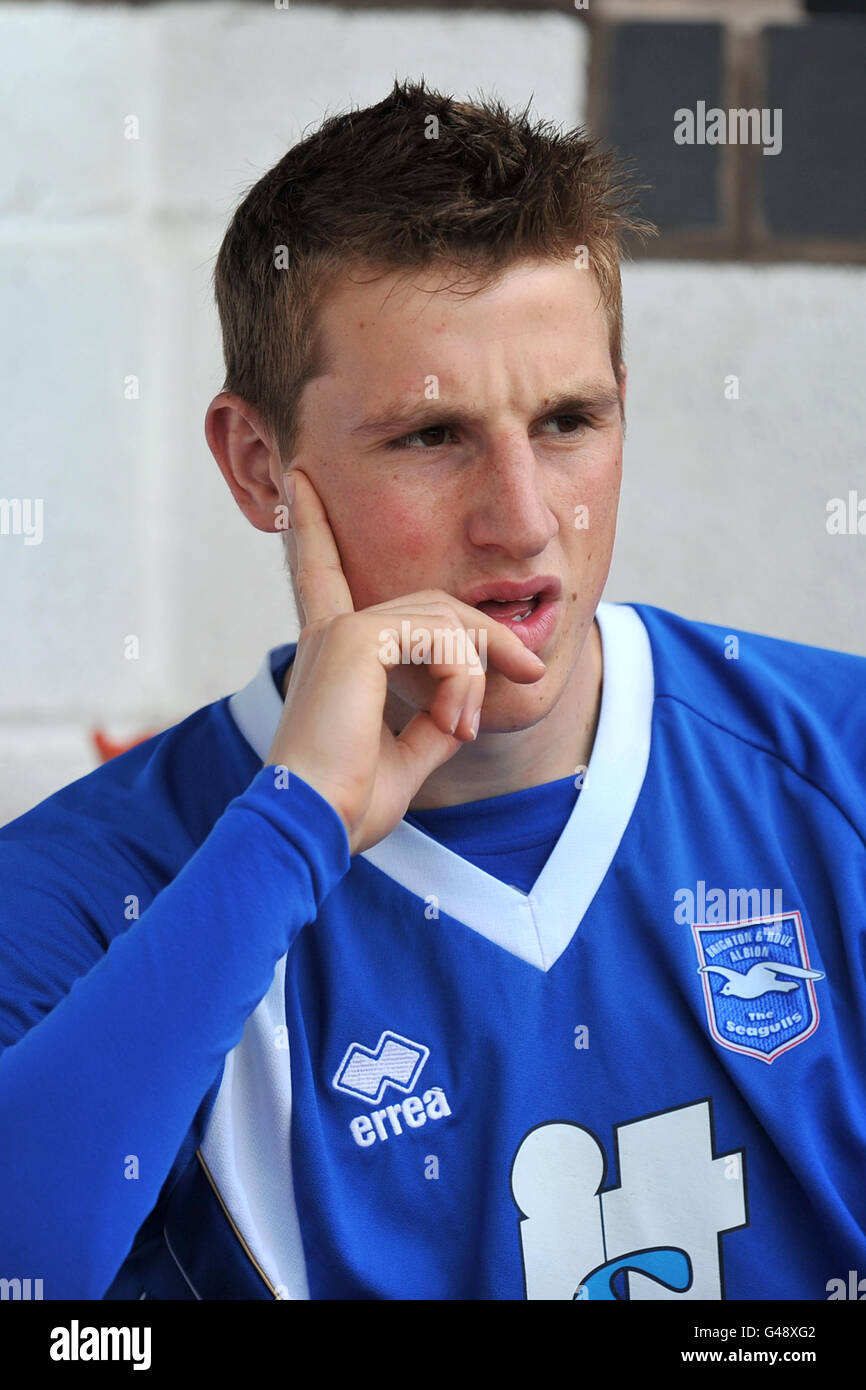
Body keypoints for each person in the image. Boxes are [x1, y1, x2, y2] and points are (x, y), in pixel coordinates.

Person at [1, 77, 864, 1303]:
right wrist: (290, 830)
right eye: (429, 436)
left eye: (568, 420)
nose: (523, 523)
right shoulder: (84, 889)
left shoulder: (839, 762)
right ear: (260, 467)